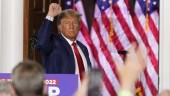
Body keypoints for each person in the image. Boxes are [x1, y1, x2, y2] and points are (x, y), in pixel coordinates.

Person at [36, 3, 91, 77]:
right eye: (67, 23)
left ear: (79, 27)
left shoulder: (83, 48)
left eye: (75, 23)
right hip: (61, 88)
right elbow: (41, 43)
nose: (71, 26)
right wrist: (50, 15)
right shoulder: (53, 42)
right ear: (59, 27)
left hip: (83, 88)